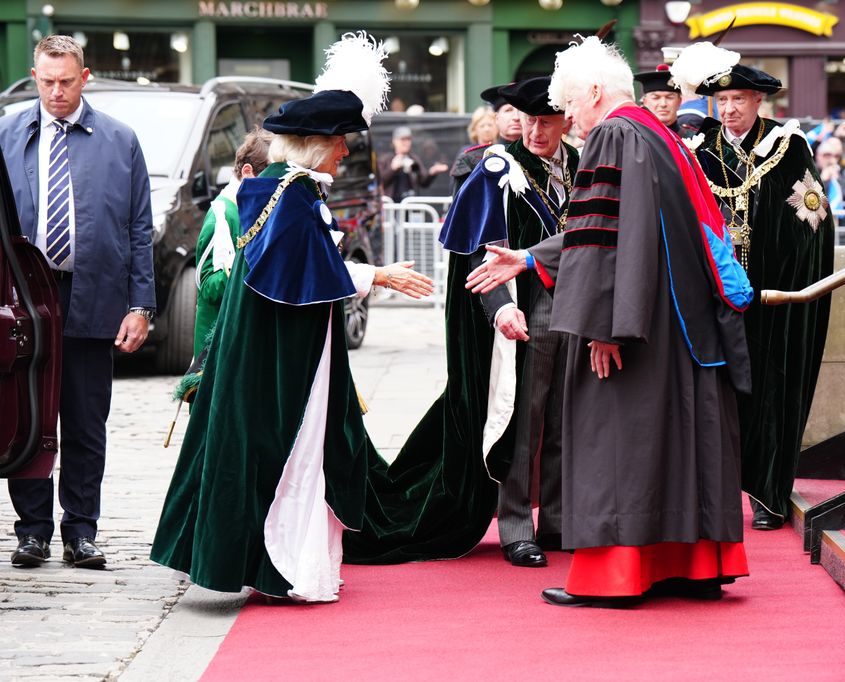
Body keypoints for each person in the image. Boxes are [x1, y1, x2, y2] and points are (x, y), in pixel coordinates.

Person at [466, 35, 754, 608]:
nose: (564, 114)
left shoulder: (612, 134)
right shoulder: (660, 136)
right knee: (673, 443)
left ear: (595, 92)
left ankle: (616, 577)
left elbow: (609, 237)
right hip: (676, 324)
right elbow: (620, 227)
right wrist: (527, 258)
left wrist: (603, 326)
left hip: (634, 325)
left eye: (569, 101)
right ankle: (686, 566)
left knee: (615, 440)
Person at [150, 33, 433, 603]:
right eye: (339, 143)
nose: (346, 153)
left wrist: (369, 273)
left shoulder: (287, 190)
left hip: (286, 350)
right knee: (294, 452)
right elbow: (303, 276)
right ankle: (293, 568)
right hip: (285, 362)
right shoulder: (294, 192)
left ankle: (301, 565)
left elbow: (306, 266)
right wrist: (379, 275)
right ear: (312, 144)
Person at [343, 77, 578, 567]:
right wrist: (500, 309)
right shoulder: (499, 168)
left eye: (545, 121)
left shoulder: (577, 166)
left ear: (565, 123)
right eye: (527, 119)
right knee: (523, 421)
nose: (533, 130)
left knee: (565, 421)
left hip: (577, 307)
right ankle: (517, 526)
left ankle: (558, 521)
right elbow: (478, 251)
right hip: (527, 309)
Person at [0, 35, 156, 569]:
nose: (56, 91)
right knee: (27, 416)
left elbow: (139, 229)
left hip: (93, 295)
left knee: (86, 421)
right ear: (35, 74)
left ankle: (80, 530)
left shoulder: (120, 140)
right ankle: (32, 531)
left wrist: (141, 305)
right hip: (24, 297)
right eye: (47, 81)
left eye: (66, 81)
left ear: (84, 77)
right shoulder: (7, 132)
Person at [674, 41, 835, 530]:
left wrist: (782, 266)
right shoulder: (700, 153)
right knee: (715, 396)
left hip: (774, 297)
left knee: (771, 391)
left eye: (738, 100)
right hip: (717, 299)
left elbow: (813, 221)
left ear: (758, 102)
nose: (728, 110)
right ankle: (712, 494)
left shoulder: (788, 150)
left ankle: (768, 492)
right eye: (721, 102)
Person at [193, 127, 271, 357]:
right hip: (218, 343)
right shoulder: (223, 213)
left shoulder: (253, 208)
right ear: (247, 172)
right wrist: (248, 260)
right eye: (270, 180)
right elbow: (207, 285)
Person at [449, 84, 524, 195]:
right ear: (497, 118)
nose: (516, 117)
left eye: (521, 111)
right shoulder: (471, 159)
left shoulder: (541, 156)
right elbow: (460, 207)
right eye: (508, 110)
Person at [378, 125, 448, 200]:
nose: (406, 143)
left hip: (410, 205)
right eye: (403, 139)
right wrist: (392, 169)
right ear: (395, 141)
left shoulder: (414, 159)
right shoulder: (385, 159)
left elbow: (423, 181)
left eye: (408, 139)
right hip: (392, 207)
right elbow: (379, 183)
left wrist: (432, 172)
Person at [634, 64, 685, 136]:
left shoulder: (693, 138)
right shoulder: (637, 137)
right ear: (645, 101)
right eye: (656, 97)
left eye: (669, 97)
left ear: (679, 101)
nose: (663, 104)